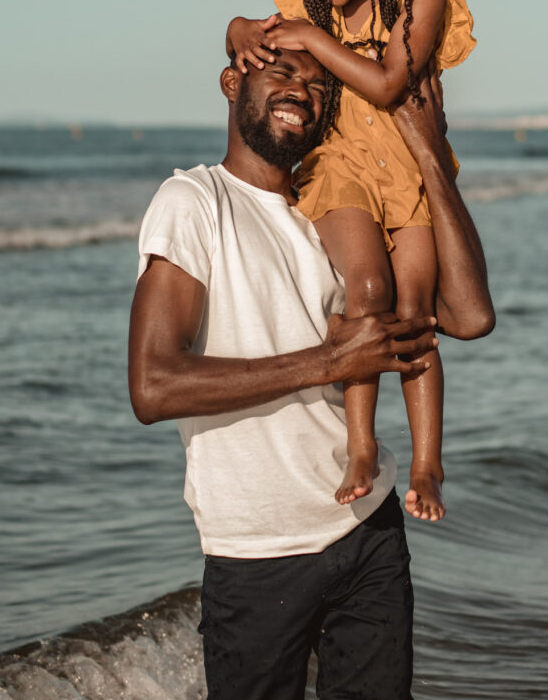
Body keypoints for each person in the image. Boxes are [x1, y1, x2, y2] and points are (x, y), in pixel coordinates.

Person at [128, 47, 493, 700]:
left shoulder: (337, 215)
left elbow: (466, 318)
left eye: (320, 84)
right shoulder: (193, 201)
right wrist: (330, 362)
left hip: (371, 534)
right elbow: (153, 386)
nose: (303, 88)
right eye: (282, 72)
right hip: (258, 551)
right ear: (232, 81)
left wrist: (428, 149)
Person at [227, 0, 477, 521]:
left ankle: (427, 462)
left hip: (409, 169)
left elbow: (393, 82)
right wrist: (236, 29)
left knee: (416, 311)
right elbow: (244, 35)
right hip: (338, 166)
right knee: (366, 290)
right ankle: (359, 444)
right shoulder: (302, 6)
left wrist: (312, 38)